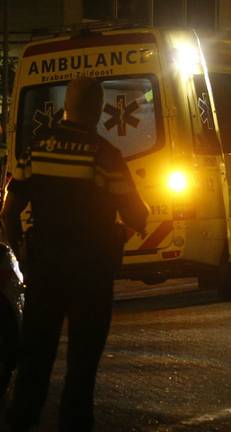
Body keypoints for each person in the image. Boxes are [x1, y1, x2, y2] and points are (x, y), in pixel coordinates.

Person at [1, 77, 149, 432]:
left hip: (44, 271)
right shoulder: (104, 155)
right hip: (90, 273)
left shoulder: (36, 148)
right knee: (82, 367)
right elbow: (136, 214)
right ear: (97, 110)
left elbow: (9, 208)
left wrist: (21, 250)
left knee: (34, 360)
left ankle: (22, 422)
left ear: (67, 106)